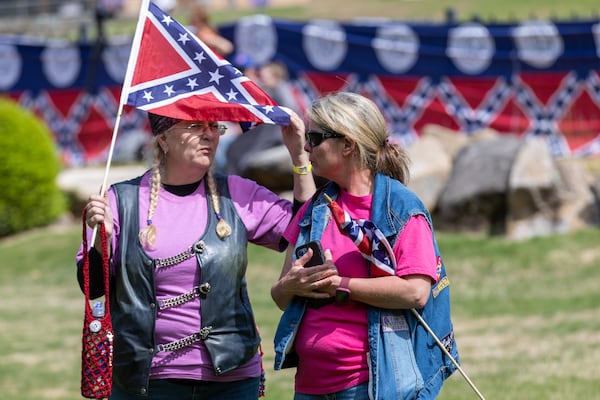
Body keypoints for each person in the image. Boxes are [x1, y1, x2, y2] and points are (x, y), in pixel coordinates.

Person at [76, 111, 315, 400]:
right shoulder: (120, 200)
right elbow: (95, 288)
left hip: (231, 378)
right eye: (194, 126)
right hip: (146, 381)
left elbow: (306, 232)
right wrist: (102, 241)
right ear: (163, 139)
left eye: (214, 126)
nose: (209, 134)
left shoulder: (236, 193)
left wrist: (300, 159)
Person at [271, 92, 459, 399]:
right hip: (310, 386)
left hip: (371, 385)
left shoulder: (399, 207)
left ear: (347, 145)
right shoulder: (315, 209)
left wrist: (341, 285)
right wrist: (291, 285)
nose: (306, 147)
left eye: (315, 138)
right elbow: (280, 297)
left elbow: (415, 291)